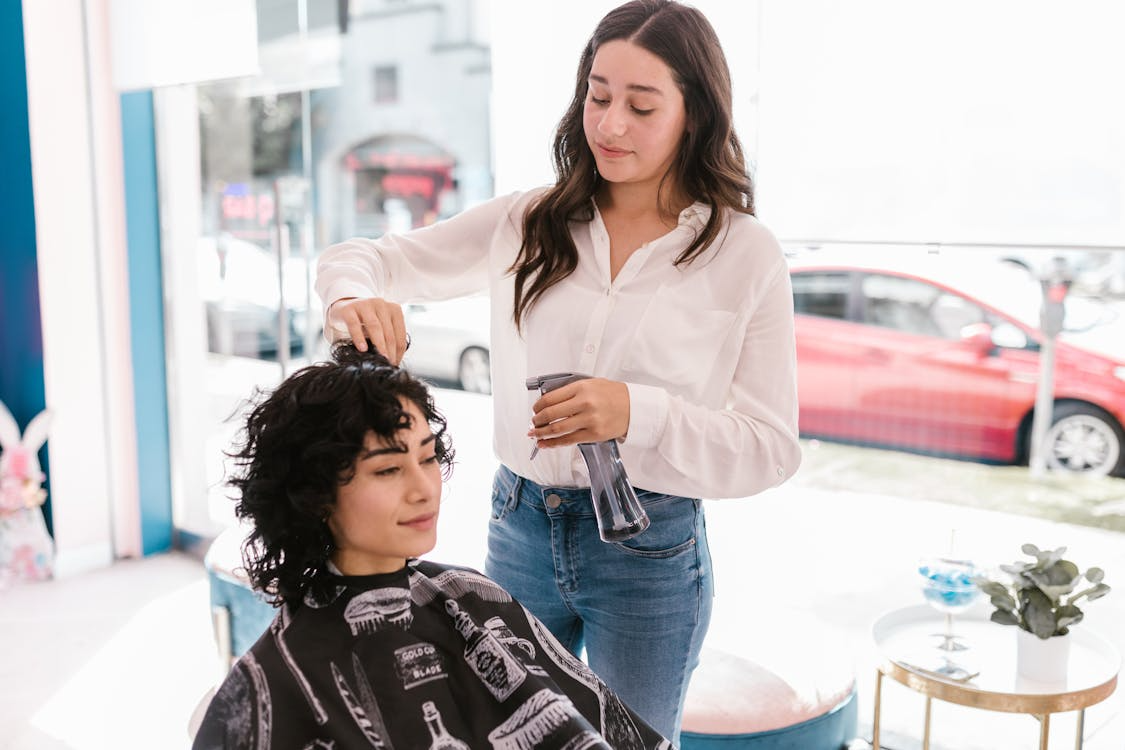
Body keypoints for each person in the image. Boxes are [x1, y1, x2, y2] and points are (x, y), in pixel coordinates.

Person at [315, 0, 802, 740]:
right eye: (597, 96)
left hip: (649, 552)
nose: (608, 125)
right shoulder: (525, 222)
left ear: (694, 114)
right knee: (502, 733)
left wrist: (637, 412)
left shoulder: (744, 254)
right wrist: (351, 295)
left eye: (641, 106)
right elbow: (368, 259)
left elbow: (770, 447)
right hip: (519, 529)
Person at [192, 343, 671, 750]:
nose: (424, 489)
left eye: (427, 457)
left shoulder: (468, 595)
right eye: (388, 469)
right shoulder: (276, 681)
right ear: (313, 494)